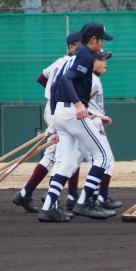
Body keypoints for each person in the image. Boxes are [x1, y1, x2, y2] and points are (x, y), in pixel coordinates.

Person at [39, 22, 114, 222]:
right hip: (72, 113)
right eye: (101, 40)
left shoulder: (76, 55)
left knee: (68, 163)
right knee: (103, 157)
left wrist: (55, 115)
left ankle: (47, 208)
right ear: (93, 39)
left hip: (62, 112)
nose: (102, 45)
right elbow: (65, 80)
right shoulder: (86, 56)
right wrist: (79, 105)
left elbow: (55, 84)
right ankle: (84, 202)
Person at [13, 31, 82, 216]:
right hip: (58, 109)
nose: (83, 47)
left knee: (68, 154)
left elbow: (41, 78)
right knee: (58, 157)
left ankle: (28, 194)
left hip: (56, 108)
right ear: (71, 47)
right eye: (80, 44)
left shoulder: (59, 62)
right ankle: (51, 200)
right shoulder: (72, 63)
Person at [74, 51, 123, 210]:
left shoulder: (93, 78)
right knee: (106, 159)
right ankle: (100, 196)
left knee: (74, 161)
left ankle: (71, 196)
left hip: (88, 122)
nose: (105, 62)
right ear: (91, 62)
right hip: (90, 123)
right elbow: (78, 102)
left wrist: (100, 117)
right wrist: (97, 116)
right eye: (101, 59)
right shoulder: (91, 80)